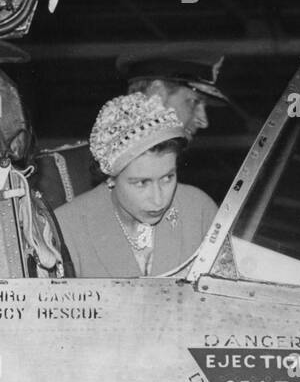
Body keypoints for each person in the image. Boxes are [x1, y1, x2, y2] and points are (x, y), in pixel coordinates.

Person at [32, 51, 230, 207]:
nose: (204, 121)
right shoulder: (56, 171)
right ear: (157, 93)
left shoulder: (187, 192)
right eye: (194, 102)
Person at [53, 93, 217, 277]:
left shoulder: (200, 210)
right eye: (141, 183)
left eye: (167, 178)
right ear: (109, 177)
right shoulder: (66, 228)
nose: (158, 200)